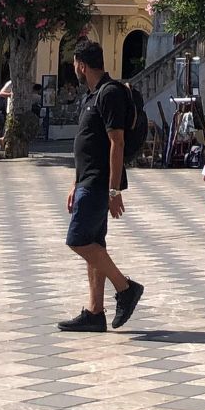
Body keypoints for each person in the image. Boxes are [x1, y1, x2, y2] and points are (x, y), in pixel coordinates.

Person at [58, 39, 144, 333]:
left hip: (98, 183)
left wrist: (114, 190)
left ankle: (125, 288)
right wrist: (75, 181)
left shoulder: (109, 93)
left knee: (78, 240)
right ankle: (95, 312)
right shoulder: (92, 95)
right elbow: (88, 145)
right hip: (87, 180)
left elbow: (116, 142)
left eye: (74, 64)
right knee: (94, 244)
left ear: (82, 65)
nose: (74, 69)